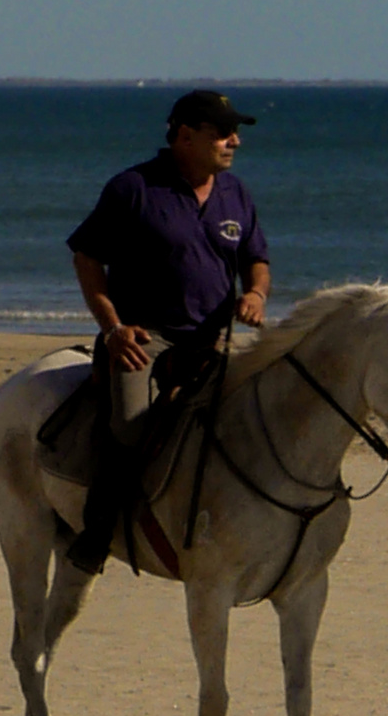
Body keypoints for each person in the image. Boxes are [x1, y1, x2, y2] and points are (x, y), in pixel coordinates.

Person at [63, 89, 271, 575]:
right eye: (222, 133)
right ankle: (98, 532)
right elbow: (87, 256)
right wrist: (112, 328)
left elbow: (256, 261)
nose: (234, 141)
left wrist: (256, 295)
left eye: (234, 133)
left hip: (213, 342)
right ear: (184, 136)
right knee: (131, 427)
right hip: (143, 341)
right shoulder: (132, 188)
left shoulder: (235, 193)